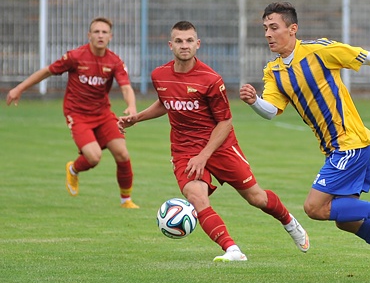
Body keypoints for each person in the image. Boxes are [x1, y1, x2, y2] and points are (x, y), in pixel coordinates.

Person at [238, 2, 370, 281]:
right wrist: (255, 102)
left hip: (350, 142)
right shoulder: (274, 71)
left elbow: (367, 56)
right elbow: (271, 111)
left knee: (314, 208)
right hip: (335, 149)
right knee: (347, 221)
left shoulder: (319, 50)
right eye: (265, 28)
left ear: (292, 29)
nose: (268, 34)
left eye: (274, 27)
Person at [119, 21, 309, 262]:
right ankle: (232, 249)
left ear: (197, 44)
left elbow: (225, 122)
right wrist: (137, 118)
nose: (184, 45)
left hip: (221, 146)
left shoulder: (210, 79)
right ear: (170, 45)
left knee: (256, 198)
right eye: (179, 41)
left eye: (189, 41)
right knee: (197, 198)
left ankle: (289, 222)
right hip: (184, 150)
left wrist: (204, 156)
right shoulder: (159, 75)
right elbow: (165, 102)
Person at [6, 17, 139, 208]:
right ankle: (74, 169)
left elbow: (126, 87)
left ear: (110, 36)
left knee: (122, 154)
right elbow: (47, 72)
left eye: (104, 32)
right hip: (77, 114)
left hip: (102, 113)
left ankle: (126, 201)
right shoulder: (76, 57)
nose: (100, 35)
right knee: (93, 157)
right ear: (89, 35)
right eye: (96, 31)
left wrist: (132, 106)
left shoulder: (114, 61)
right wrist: (19, 88)